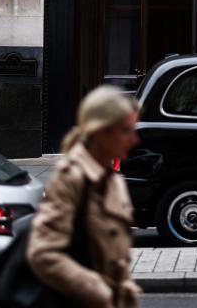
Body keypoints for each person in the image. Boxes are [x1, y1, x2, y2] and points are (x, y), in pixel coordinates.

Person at [27, 86, 142, 308]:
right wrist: (97, 290)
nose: (134, 140)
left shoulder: (113, 180)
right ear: (101, 132)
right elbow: (43, 253)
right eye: (126, 131)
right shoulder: (71, 177)